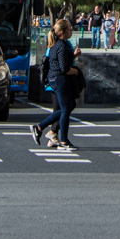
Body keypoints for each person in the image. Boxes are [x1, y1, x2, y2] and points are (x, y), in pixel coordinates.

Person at [32, 19, 81, 150]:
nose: (71, 31)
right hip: (60, 79)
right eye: (69, 28)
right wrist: (75, 71)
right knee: (65, 109)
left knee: (67, 107)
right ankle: (62, 140)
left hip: (55, 79)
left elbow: (61, 62)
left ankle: (42, 128)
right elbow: (64, 68)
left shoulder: (57, 45)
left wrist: (73, 56)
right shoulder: (61, 46)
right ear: (63, 32)